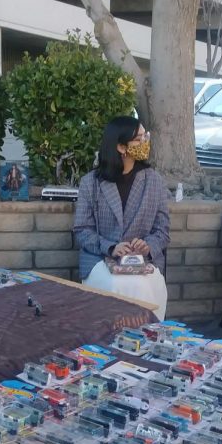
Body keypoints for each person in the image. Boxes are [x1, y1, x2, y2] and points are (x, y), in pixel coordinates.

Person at [73, 117, 171, 319]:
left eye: (146, 136)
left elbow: (162, 231)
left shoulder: (154, 181)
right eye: (139, 138)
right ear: (120, 147)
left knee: (143, 284)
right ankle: (111, 342)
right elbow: (82, 230)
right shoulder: (91, 183)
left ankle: (145, 340)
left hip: (144, 261)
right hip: (100, 259)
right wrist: (110, 247)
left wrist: (148, 245)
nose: (145, 142)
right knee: (119, 284)